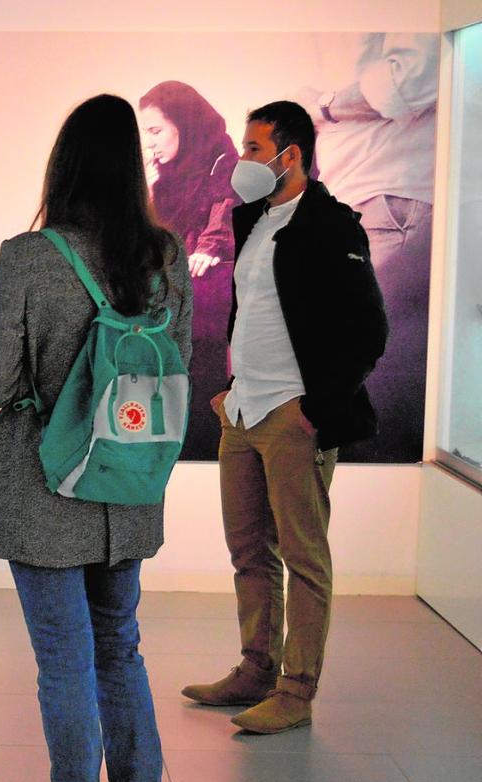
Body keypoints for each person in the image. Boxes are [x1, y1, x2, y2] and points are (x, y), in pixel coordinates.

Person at [0, 94, 192, 782]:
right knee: (120, 649)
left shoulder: (32, 257)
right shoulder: (165, 258)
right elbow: (180, 367)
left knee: (64, 661)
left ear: (62, 166)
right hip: (129, 480)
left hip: (44, 483)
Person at [181, 102, 388, 734]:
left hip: (292, 415)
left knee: (304, 556)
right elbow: (253, 314)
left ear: (288, 155)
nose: (241, 160)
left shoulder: (332, 225)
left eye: (251, 148)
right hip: (242, 412)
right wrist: (229, 390)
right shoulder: (252, 221)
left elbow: (369, 331)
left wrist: (315, 408)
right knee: (248, 550)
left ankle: (297, 690)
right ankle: (255, 669)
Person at [298, 33, 438, 463]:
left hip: (387, 195)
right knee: (362, 373)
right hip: (368, 200)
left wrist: (322, 106)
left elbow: (414, 76)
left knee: (375, 379)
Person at [138, 81, 240, 461]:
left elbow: (226, 205)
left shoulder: (223, 159)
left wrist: (210, 245)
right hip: (170, 300)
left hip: (206, 303)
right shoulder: (164, 175)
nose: (151, 143)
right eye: (146, 134)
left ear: (184, 123)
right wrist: (147, 190)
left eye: (156, 131)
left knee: (200, 393)